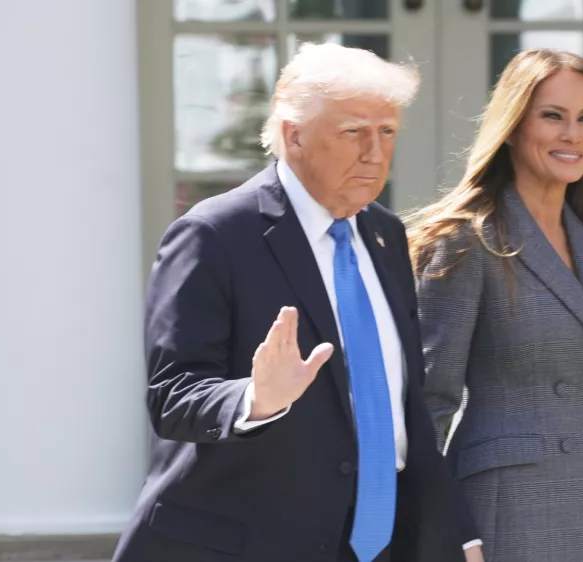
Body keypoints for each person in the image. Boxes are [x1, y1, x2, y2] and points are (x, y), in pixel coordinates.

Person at [113, 42, 482, 562]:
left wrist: (457, 533)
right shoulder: (213, 234)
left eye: (387, 132)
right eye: (353, 132)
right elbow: (172, 396)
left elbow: (403, 405)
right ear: (294, 135)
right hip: (246, 543)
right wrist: (255, 399)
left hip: (377, 542)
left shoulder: (385, 234)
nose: (374, 153)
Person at [406, 49, 583, 562]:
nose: (574, 135)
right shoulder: (466, 239)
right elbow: (428, 403)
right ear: (514, 127)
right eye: (553, 116)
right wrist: (443, 529)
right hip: (510, 513)